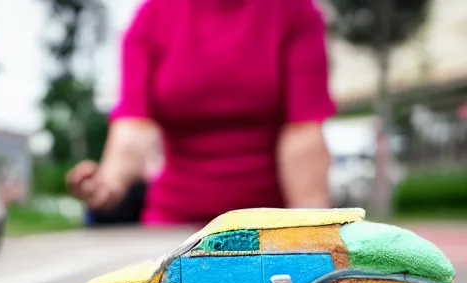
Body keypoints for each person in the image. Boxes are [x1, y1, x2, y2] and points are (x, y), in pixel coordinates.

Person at [67, 0, 336, 226]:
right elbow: (134, 126)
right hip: (174, 226)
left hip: (266, 228)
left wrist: (311, 227)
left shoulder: (296, 11)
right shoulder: (151, 17)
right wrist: (108, 184)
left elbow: (302, 133)